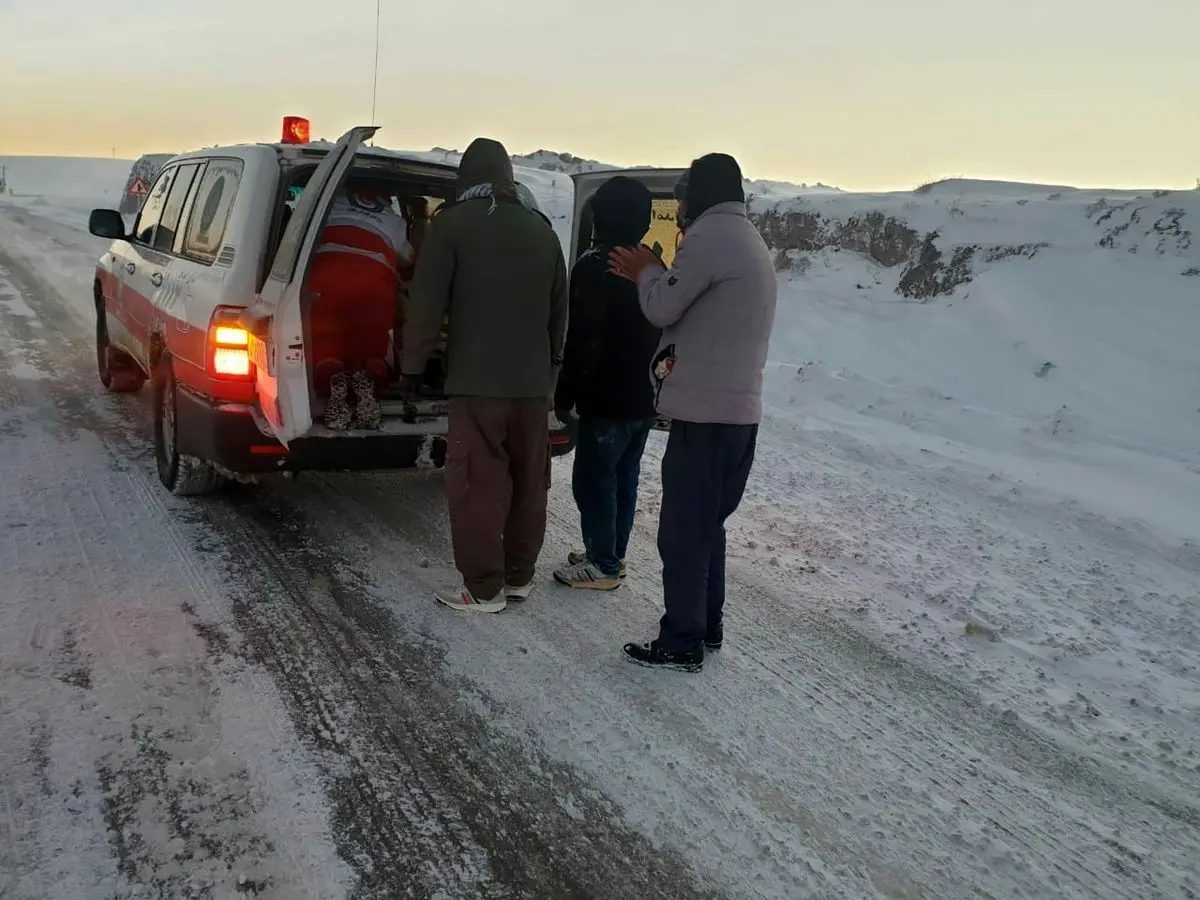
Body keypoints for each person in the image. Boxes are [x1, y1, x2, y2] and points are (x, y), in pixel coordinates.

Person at [608, 153, 777, 672]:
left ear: (700, 192)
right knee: (707, 526)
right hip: (739, 412)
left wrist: (648, 271)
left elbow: (661, 307)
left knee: (682, 532)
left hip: (704, 417)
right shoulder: (749, 239)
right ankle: (706, 623)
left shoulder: (708, 238)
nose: (680, 205)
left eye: (684, 195)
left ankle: (681, 640)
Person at [400, 137, 568, 613]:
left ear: (465, 180)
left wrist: (413, 366)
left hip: (477, 383)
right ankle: (518, 577)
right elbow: (560, 312)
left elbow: (426, 306)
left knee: (478, 483)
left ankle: (483, 587)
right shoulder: (541, 229)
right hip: (533, 385)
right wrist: (551, 370)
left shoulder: (450, 227)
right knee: (529, 480)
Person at [553, 177, 661, 591]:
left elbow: (585, 339)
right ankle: (611, 552)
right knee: (624, 478)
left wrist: (566, 393)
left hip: (607, 395)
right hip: (643, 396)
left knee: (594, 480)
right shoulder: (651, 263)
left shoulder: (595, 265)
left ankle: (603, 565)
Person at [309, 179, 412, 430]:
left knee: (326, 348)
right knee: (372, 351)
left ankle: (333, 380)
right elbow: (408, 260)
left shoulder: (328, 207)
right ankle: (368, 377)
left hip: (325, 285)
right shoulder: (393, 220)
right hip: (374, 290)